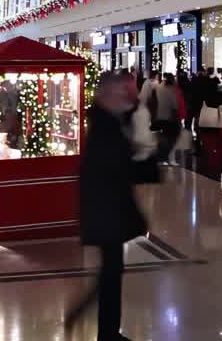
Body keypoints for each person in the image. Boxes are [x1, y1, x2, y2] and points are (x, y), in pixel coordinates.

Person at [66, 73, 146, 341]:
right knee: (110, 275)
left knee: (111, 273)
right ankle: (101, 329)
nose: (124, 97)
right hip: (107, 214)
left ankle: (107, 331)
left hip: (108, 212)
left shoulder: (107, 120)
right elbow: (116, 168)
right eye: (119, 92)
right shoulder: (105, 125)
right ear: (107, 94)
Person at [196, 92, 222, 172]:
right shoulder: (220, 108)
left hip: (206, 131)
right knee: (219, 149)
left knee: (208, 150)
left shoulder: (204, 108)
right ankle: (217, 166)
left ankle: (209, 166)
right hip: (217, 131)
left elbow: (200, 122)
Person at [151, 72, 181, 165]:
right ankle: (163, 157)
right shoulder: (171, 90)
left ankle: (161, 157)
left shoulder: (158, 88)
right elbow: (174, 107)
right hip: (168, 118)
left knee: (164, 137)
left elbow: (153, 101)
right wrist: (176, 119)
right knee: (170, 137)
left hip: (159, 116)